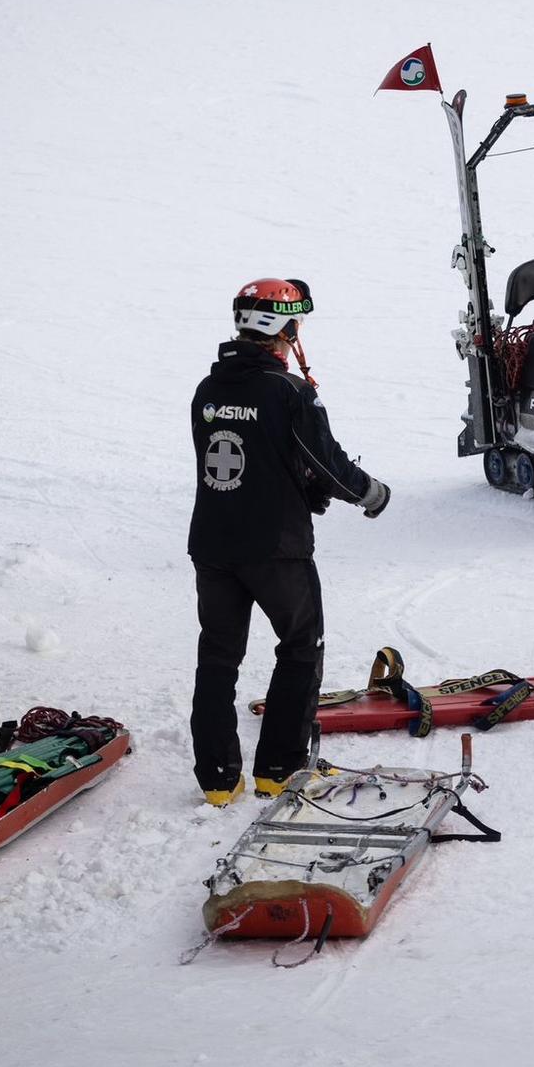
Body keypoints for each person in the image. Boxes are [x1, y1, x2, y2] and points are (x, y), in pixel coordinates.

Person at [187, 278, 390, 807]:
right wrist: (370, 494)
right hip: (276, 548)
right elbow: (328, 464)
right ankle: (278, 769)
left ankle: (217, 779)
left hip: (213, 544)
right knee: (301, 649)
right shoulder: (289, 392)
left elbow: (254, 457)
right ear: (288, 329)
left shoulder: (208, 390)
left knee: (218, 656)